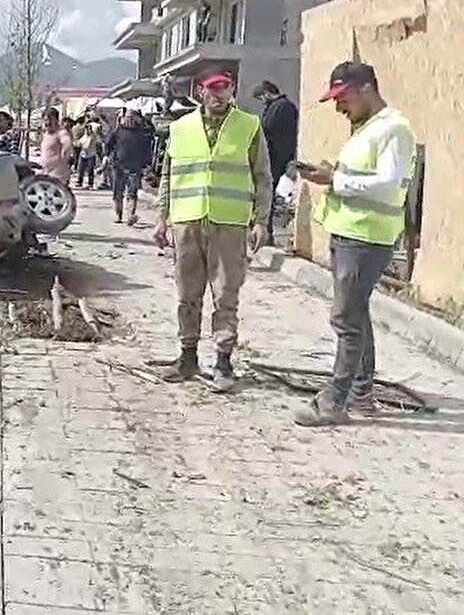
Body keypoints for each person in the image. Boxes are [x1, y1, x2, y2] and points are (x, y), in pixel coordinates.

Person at [292, 61, 414, 427]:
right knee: (356, 314)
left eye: (342, 98)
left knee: (345, 319)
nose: (338, 107)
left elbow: (390, 182)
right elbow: (364, 176)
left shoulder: (394, 128)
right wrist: (334, 174)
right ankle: (361, 395)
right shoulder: (367, 128)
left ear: (365, 89)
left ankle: (335, 401)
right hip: (350, 233)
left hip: (367, 237)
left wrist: (337, 180)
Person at [152, 68, 272, 390]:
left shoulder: (248, 126)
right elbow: (168, 175)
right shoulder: (180, 129)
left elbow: (262, 176)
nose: (220, 95)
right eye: (213, 89)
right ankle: (187, 356)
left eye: (226, 88)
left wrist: (260, 220)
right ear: (200, 91)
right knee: (187, 293)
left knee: (226, 293)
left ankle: (223, 362)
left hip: (229, 224)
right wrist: (162, 217)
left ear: (233, 89)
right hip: (187, 221)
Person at [252, 80, 300, 244]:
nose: (262, 101)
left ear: (266, 93)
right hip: (276, 156)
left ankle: (266, 232)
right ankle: (265, 231)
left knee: (267, 193)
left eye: (261, 98)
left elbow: (267, 130)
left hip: (276, 157)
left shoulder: (281, 107)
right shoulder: (280, 107)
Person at [104, 109, 154, 225]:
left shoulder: (141, 132)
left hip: (134, 167)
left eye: (132, 117)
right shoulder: (117, 131)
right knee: (118, 192)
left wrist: (146, 164)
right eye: (127, 117)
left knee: (132, 192)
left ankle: (131, 215)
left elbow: (147, 148)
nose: (129, 119)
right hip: (118, 166)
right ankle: (118, 214)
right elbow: (108, 145)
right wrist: (108, 156)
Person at [40, 107, 72, 182]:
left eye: (50, 120)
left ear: (57, 120)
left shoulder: (61, 133)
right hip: (47, 172)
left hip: (58, 174)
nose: (47, 123)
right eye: (45, 120)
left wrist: (64, 155)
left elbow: (67, 143)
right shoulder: (46, 133)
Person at [75, 122, 101, 189]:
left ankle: (90, 183)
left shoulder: (92, 137)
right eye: (86, 129)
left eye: (89, 129)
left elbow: (87, 145)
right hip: (83, 154)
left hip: (91, 155)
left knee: (90, 169)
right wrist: (77, 144)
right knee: (80, 168)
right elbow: (79, 143)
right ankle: (79, 181)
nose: (87, 131)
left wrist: (79, 145)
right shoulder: (84, 136)